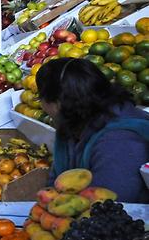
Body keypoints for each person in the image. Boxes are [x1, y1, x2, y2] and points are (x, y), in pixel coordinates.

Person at [36, 57, 149, 202]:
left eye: (41, 99)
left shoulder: (118, 142)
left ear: (57, 103)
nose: (42, 107)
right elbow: (54, 186)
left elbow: (109, 206)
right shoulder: (73, 125)